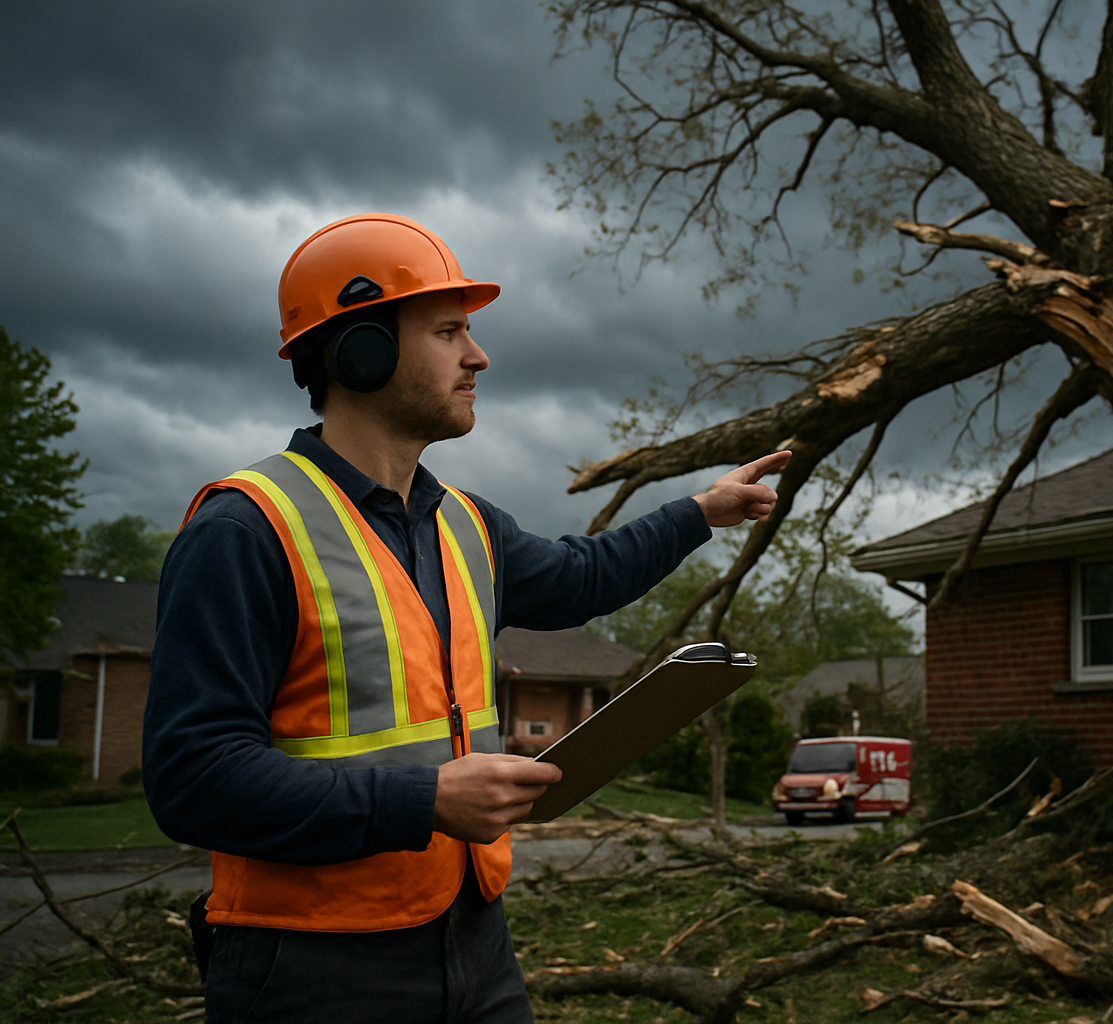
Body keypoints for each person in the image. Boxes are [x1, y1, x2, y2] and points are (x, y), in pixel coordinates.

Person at [142, 212, 790, 1024]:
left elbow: (583, 576)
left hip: (474, 941)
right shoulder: (244, 531)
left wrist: (702, 511)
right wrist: (423, 800)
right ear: (361, 348)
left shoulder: (465, 524)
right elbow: (191, 779)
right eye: (449, 331)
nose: (477, 356)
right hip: (310, 963)